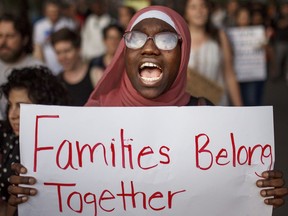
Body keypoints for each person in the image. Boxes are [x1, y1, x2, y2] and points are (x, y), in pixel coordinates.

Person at [6, 5, 288, 213]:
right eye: (136, 39)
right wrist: (33, 191)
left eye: (166, 40)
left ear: (183, 52)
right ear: (123, 52)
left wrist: (258, 189)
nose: (150, 49)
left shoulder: (206, 116)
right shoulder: (92, 119)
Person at [0, 66, 69, 216]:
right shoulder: (6, 136)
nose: (12, 115)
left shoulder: (64, 149)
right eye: (10, 105)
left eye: (21, 106)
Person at [184, 0, 242, 106]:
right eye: (193, 7)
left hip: (217, 106)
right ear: (185, 13)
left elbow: (229, 74)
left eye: (203, 6)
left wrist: (240, 109)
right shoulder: (178, 39)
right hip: (187, 107)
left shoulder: (219, 36)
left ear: (208, 10)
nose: (199, 11)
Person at [0, 13, 44, 120]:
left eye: (10, 36)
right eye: (0, 35)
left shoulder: (38, 69)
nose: (3, 42)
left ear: (25, 39)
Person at [50, 27, 99, 106]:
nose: (63, 57)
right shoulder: (56, 83)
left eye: (67, 51)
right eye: (58, 53)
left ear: (78, 49)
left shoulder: (96, 75)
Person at [33, 0, 77, 75]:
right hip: (48, 67)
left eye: (55, 11)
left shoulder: (68, 24)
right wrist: (41, 66)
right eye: (51, 12)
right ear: (45, 12)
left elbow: (74, 45)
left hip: (67, 66)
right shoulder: (39, 26)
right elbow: (38, 48)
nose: (53, 14)